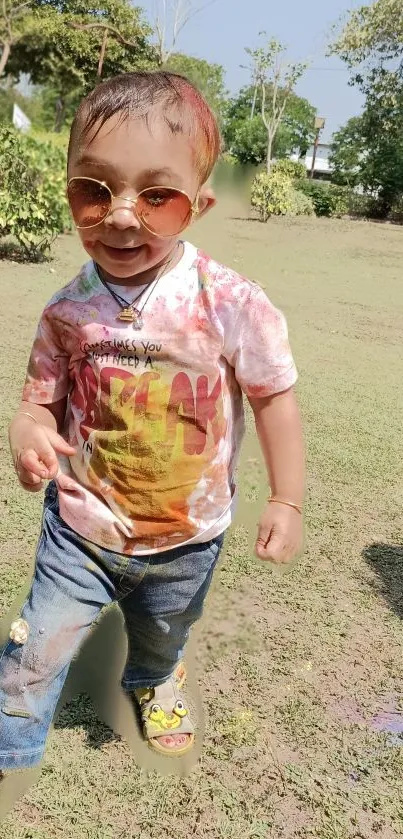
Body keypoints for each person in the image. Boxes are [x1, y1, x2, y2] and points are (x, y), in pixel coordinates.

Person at [1, 70, 305, 773]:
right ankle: (11, 749)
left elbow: (272, 398)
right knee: (34, 648)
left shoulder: (229, 302)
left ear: (196, 205)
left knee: (165, 632)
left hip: (187, 537)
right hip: (79, 526)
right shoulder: (66, 309)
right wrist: (27, 434)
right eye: (93, 189)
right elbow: (36, 402)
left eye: (156, 196)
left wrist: (286, 497)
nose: (122, 216)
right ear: (70, 189)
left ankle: (155, 677)